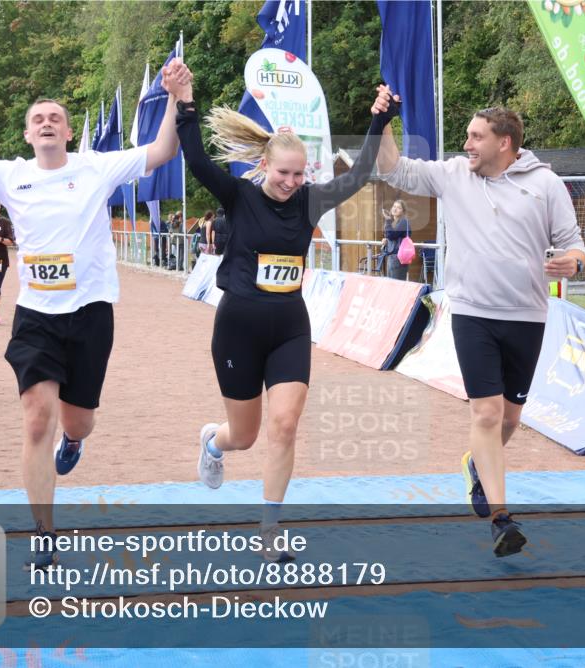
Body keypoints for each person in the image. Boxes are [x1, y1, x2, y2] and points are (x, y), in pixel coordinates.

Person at [0, 73, 181, 568]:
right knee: (37, 418)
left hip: (91, 312)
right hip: (36, 314)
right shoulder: (9, 174)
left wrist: (178, 101)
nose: (47, 123)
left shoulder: (96, 167)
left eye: (55, 117)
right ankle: (44, 532)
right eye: (38, 119)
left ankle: (74, 440)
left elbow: (162, 150)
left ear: (69, 131)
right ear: (28, 135)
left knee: (78, 420)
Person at [165, 59, 398, 561]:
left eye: (299, 174)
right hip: (238, 328)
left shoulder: (310, 201)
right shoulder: (239, 196)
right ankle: (213, 442)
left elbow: (358, 175)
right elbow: (197, 161)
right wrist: (185, 104)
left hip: (290, 326)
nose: (291, 182)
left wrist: (380, 121)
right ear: (265, 167)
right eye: (283, 173)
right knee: (244, 436)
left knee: (286, 424)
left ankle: (269, 532)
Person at [377, 104, 585, 558]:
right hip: (472, 313)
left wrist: (574, 262)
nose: (466, 145)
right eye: (467, 136)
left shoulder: (546, 184)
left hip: (527, 316)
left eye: (476, 137)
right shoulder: (454, 174)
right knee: (487, 415)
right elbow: (394, 169)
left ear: (504, 142)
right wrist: (384, 122)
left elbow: (574, 244)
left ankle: (476, 462)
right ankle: (501, 519)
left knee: (509, 420)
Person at [380, 199, 410, 280]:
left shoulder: (403, 222)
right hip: (393, 257)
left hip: (398, 258)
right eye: (394, 206)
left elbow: (391, 235)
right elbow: (391, 236)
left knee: (396, 285)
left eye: (399, 208)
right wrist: (386, 240)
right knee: (392, 285)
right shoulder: (395, 223)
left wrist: (388, 220)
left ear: (403, 211)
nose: (395, 209)